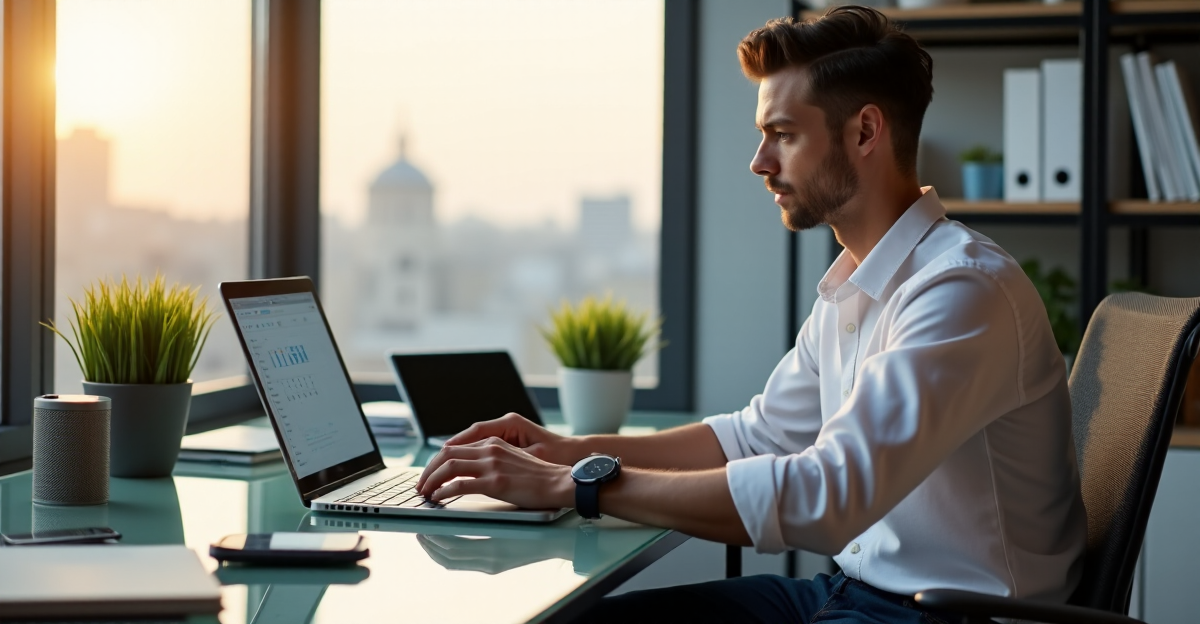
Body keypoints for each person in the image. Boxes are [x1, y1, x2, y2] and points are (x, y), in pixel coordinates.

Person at [417, 6, 1086, 622]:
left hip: (944, 615)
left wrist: (576, 485)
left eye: (783, 135)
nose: (759, 162)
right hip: (853, 593)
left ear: (865, 131)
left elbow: (829, 496)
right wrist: (574, 451)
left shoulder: (960, 291)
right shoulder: (859, 284)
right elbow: (758, 436)